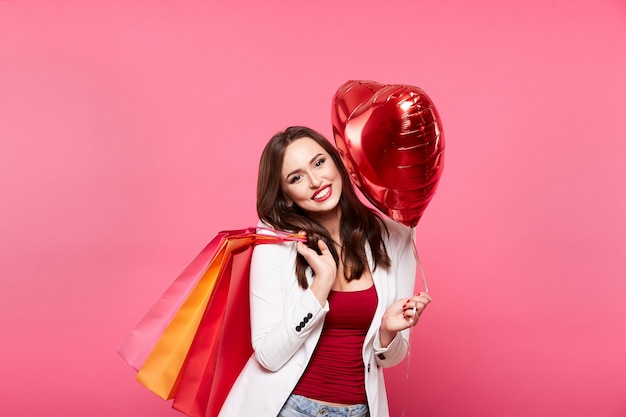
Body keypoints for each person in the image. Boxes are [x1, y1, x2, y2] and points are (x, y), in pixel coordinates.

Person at [217, 126, 432, 417]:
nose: (316, 181)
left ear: (338, 161)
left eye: (319, 162)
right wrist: (320, 287)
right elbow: (268, 355)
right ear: (287, 195)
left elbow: (389, 359)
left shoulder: (393, 238)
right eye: (296, 177)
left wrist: (387, 332)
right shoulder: (276, 245)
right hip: (290, 409)